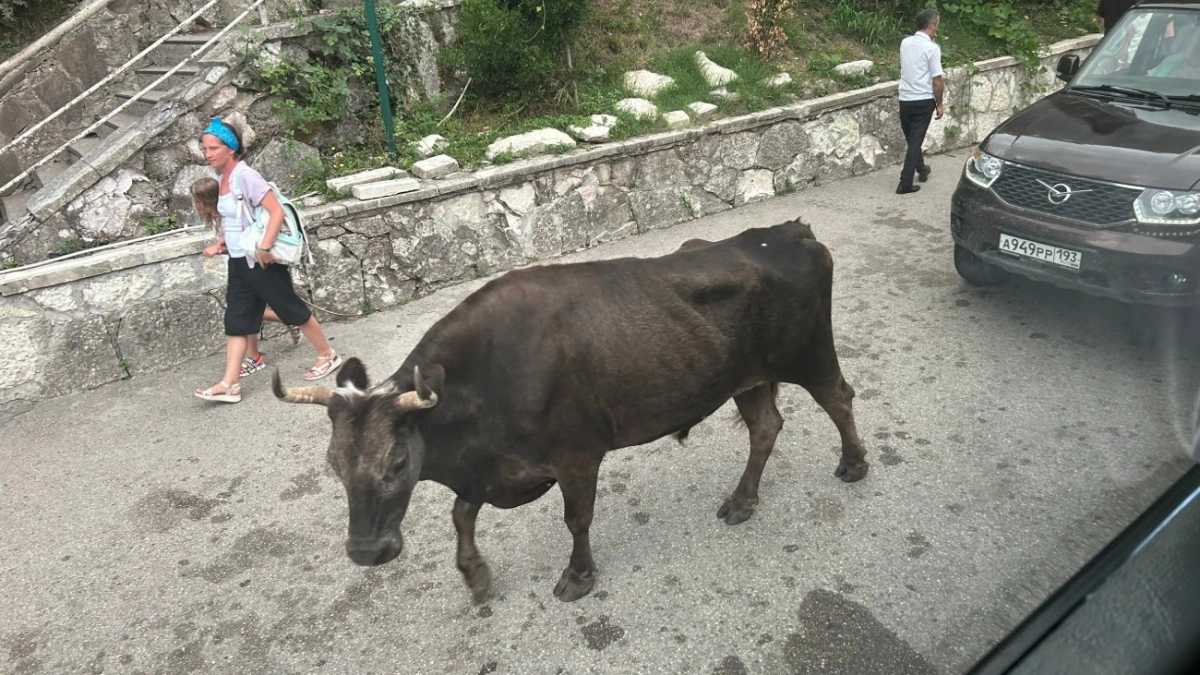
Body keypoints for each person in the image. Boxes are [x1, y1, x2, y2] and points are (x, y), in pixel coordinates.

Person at [193, 117, 342, 404]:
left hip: (261, 261)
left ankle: (328, 354)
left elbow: (275, 212)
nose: (208, 154)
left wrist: (264, 246)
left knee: (291, 309)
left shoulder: (245, 176)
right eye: (205, 149)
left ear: (231, 149)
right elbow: (238, 221)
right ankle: (230, 384)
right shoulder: (224, 179)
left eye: (213, 148)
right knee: (236, 321)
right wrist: (224, 243)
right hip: (239, 261)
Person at [191, 176, 303, 365]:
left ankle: (255, 356)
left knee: (246, 311)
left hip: (249, 265)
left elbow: (244, 242)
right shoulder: (222, 217)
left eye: (197, 201)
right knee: (248, 311)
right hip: (240, 266)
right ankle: (287, 322)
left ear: (206, 201)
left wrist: (218, 249)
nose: (195, 205)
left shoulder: (230, 217)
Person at [896, 8, 944, 195]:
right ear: (931, 25)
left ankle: (922, 169)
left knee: (913, 140)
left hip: (905, 99)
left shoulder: (905, 43)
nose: (937, 30)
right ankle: (904, 183)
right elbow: (937, 80)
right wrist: (939, 104)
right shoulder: (932, 49)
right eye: (936, 26)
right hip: (923, 100)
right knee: (915, 142)